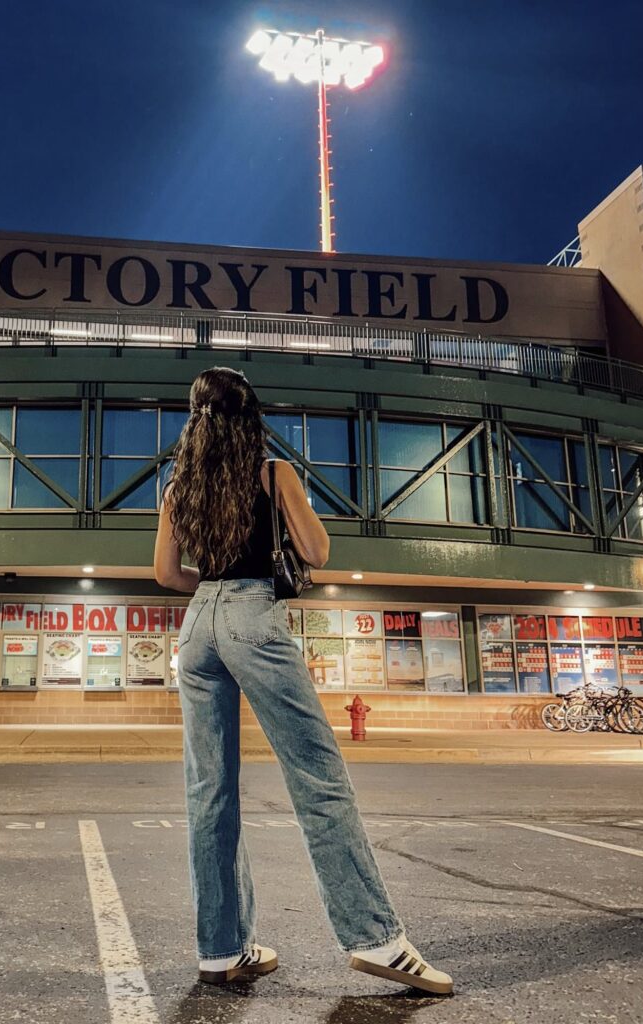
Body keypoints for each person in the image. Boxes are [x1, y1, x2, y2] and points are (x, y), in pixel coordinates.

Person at [153, 366, 453, 996]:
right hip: (252, 617)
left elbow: (165, 574)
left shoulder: (179, 485)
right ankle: (377, 940)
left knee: (209, 792)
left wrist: (211, 591)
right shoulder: (270, 472)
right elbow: (316, 552)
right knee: (318, 776)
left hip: (197, 624)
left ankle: (221, 950)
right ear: (250, 414)